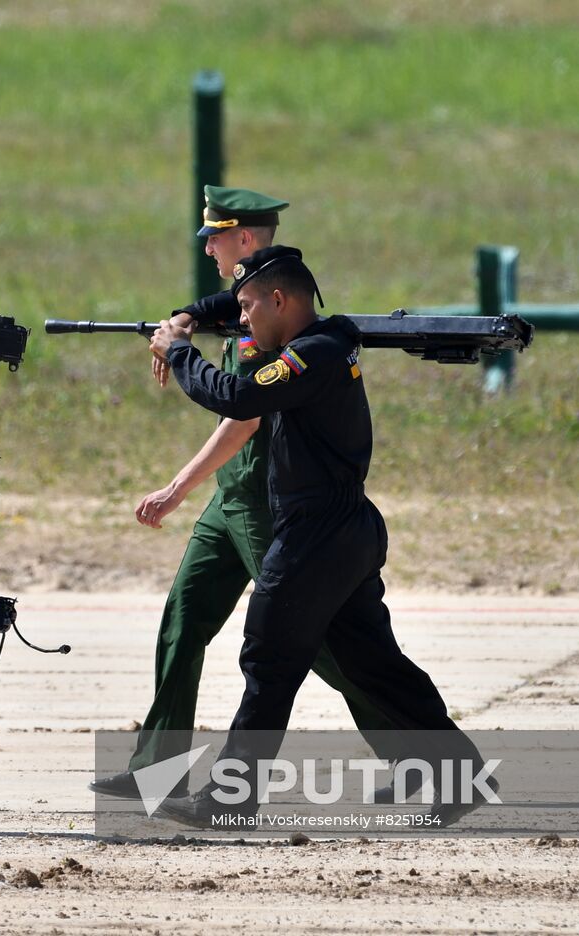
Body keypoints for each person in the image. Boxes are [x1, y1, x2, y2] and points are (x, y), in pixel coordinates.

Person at [147, 244, 490, 826]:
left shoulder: (312, 357)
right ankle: (460, 775)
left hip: (318, 535)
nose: (244, 319)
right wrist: (190, 313)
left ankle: (231, 799)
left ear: (281, 300)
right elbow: (240, 322)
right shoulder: (327, 340)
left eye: (252, 307)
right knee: (373, 665)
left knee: (268, 657)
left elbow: (238, 395)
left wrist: (180, 352)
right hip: (342, 531)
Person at [89, 186, 401, 801]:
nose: (206, 245)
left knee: (318, 646)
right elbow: (212, 308)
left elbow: (245, 412)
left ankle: (409, 750)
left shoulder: (281, 321)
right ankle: (160, 767)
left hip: (270, 503)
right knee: (184, 618)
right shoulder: (255, 302)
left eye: (216, 235)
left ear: (246, 240)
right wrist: (183, 318)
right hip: (229, 501)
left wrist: (179, 478)